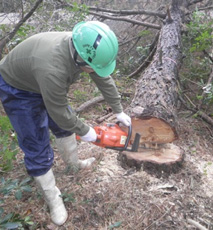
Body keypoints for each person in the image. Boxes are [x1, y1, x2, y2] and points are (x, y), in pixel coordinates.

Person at [0, 21, 131, 226]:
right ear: (80, 59)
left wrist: (119, 110)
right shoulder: (53, 68)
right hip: (18, 88)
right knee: (35, 141)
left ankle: (73, 164)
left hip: (40, 77)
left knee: (63, 124)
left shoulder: (83, 47)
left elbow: (103, 76)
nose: (94, 70)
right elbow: (59, 111)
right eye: (92, 67)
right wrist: (88, 132)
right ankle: (53, 198)